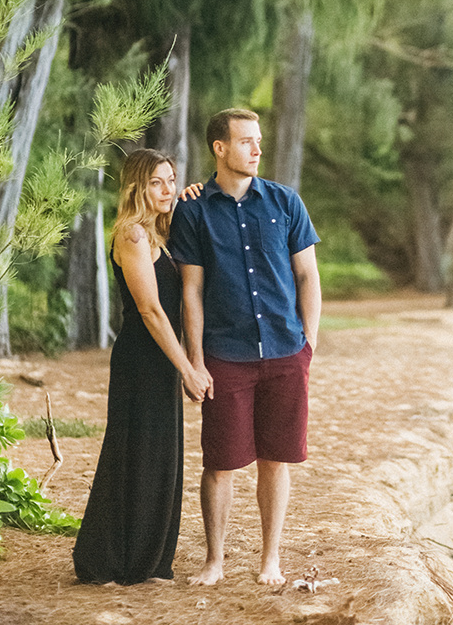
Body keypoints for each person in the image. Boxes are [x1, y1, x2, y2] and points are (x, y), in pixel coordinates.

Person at [168, 108, 321, 587]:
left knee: (275, 461)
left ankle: (269, 560)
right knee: (220, 463)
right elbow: (190, 290)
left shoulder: (284, 201)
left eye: (258, 141)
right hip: (225, 353)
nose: (257, 150)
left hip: (284, 350)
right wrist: (195, 358)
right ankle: (214, 561)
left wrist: (308, 345)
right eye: (246, 141)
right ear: (220, 147)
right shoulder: (193, 210)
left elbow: (307, 276)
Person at [72, 148, 205, 585]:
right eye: (156, 182)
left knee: (158, 456)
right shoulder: (132, 235)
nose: (166, 189)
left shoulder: (158, 234)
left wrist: (189, 197)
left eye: (171, 180)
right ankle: (109, 559)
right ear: (136, 187)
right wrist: (187, 368)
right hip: (141, 358)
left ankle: (147, 559)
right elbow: (150, 311)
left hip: (161, 358)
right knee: (135, 454)